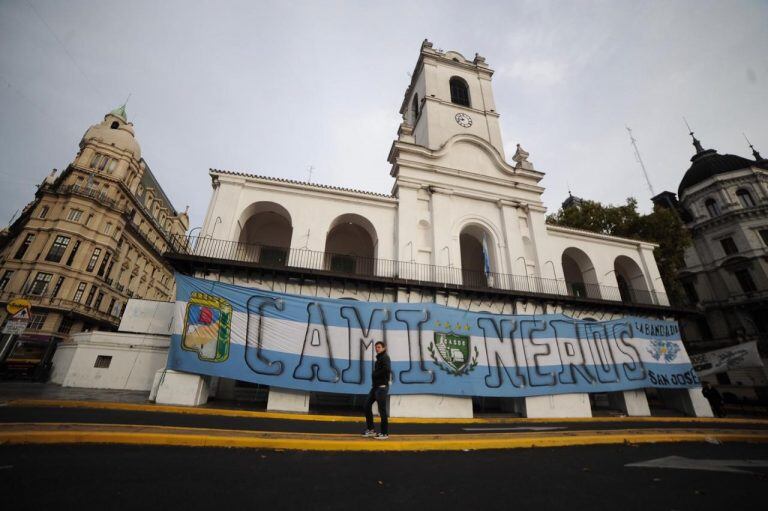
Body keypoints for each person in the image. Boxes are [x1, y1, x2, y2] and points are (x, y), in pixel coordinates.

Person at [363, 341, 391, 440]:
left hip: (382, 388)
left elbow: (387, 369)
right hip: (375, 387)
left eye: (379, 347)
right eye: (376, 347)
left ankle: (384, 433)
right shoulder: (379, 358)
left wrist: (375, 374)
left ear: (383, 348)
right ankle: (371, 430)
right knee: (366, 405)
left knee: (382, 410)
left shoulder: (385, 358)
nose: (377, 349)